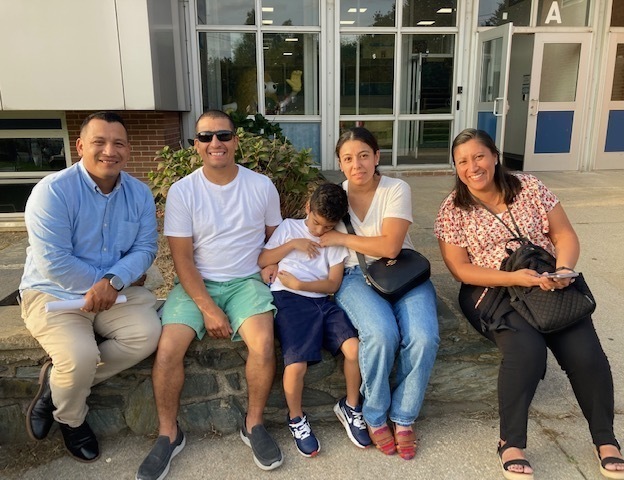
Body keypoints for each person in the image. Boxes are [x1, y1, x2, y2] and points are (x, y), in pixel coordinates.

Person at [434, 128, 624, 480]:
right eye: (462, 161)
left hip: (546, 280)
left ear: (495, 156)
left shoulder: (530, 187)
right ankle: (510, 443)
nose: (472, 167)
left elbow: (563, 234)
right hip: (492, 290)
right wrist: (513, 278)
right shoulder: (453, 209)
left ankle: (605, 439)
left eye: (478, 156)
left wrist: (564, 269)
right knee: (527, 352)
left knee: (586, 353)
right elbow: (460, 269)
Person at [136, 110, 283, 480]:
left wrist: (273, 264)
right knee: (167, 350)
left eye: (223, 135)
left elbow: (275, 237)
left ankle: (253, 425)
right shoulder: (183, 191)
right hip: (196, 283)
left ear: (235, 140)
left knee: (264, 344)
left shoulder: (261, 186)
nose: (215, 143)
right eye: (205, 137)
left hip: (246, 281)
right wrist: (207, 307)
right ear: (196, 145)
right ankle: (169, 434)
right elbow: (182, 259)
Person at [20, 111, 161, 463]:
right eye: (99, 142)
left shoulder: (139, 193)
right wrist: (106, 282)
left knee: (146, 335)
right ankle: (71, 418)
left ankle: (57, 387)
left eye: (118, 143)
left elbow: (146, 248)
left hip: (113, 292)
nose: (109, 151)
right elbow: (54, 262)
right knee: (80, 357)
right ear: (80, 146)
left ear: (128, 150)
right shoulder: (52, 192)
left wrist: (112, 281)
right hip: (53, 292)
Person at [318, 127, 440, 460]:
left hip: (403, 272)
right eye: (347, 158)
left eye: (363, 156)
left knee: (424, 337)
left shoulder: (396, 189)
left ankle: (403, 416)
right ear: (340, 164)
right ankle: (373, 414)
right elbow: (312, 229)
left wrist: (342, 238)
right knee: (381, 334)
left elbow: (390, 246)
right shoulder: (334, 197)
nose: (356, 165)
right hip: (355, 276)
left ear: (376, 157)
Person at [258, 182, 371, 457]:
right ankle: (296, 418)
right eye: (316, 222)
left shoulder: (334, 238)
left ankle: (351, 406)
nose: (319, 231)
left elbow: (333, 284)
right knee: (296, 364)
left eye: (327, 226)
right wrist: (292, 245)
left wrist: (302, 284)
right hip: (289, 301)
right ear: (308, 207)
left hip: (321, 301)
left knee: (354, 349)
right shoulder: (289, 228)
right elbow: (263, 259)